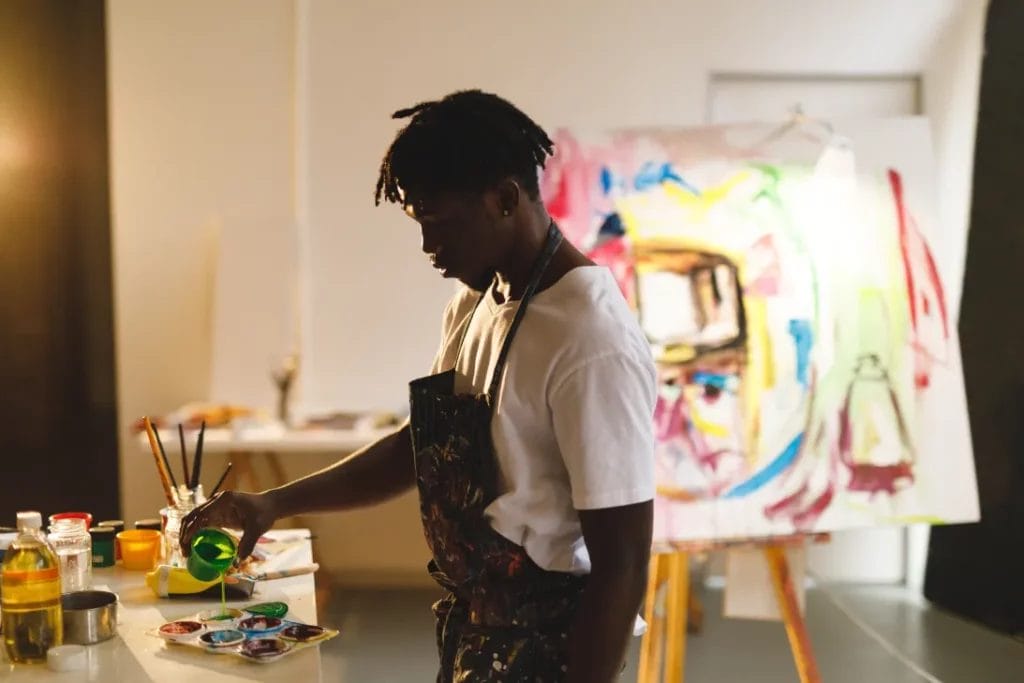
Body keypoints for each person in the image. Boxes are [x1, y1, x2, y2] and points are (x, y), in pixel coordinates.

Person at [180, 90, 656, 682]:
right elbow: (425, 448)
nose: (429, 248)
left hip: (556, 649)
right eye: (418, 223)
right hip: (479, 630)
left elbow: (624, 566)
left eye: (439, 223)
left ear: (506, 199)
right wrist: (274, 502)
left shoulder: (589, 339)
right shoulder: (475, 301)